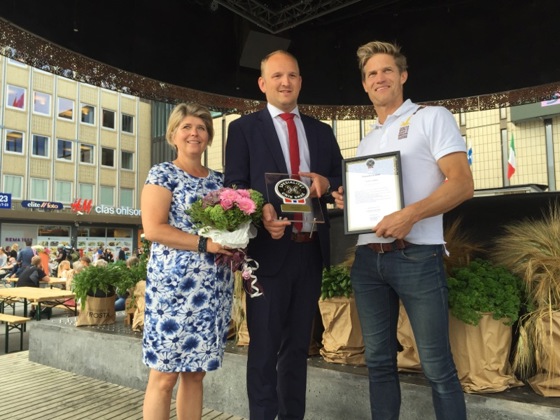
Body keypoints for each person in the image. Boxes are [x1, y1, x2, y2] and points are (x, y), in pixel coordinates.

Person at [332, 40, 474, 420]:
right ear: (364, 85)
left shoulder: (432, 118)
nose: (379, 78)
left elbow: (462, 184)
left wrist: (411, 215)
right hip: (367, 260)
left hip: (417, 256)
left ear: (403, 76)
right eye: (371, 74)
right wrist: (351, 201)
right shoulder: (367, 140)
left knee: (437, 367)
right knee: (378, 363)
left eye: (386, 70)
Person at [224, 50, 343, 420]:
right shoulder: (243, 129)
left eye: (291, 75)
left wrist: (327, 183)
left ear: (300, 81)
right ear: (263, 83)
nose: (285, 82)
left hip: (310, 251)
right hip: (266, 251)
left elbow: (341, 178)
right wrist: (260, 210)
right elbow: (234, 187)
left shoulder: (322, 132)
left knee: (297, 350)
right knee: (263, 349)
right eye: (276, 76)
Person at [140, 102, 234, 420]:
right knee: (164, 375)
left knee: (196, 373)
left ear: (209, 136)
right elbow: (154, 229)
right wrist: (205, 244)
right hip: (173, 289)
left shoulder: (221, 181)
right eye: (187, 127)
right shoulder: (162, 173)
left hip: (212, 289)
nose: (195, 133)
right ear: (173, 134)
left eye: (201, 128)